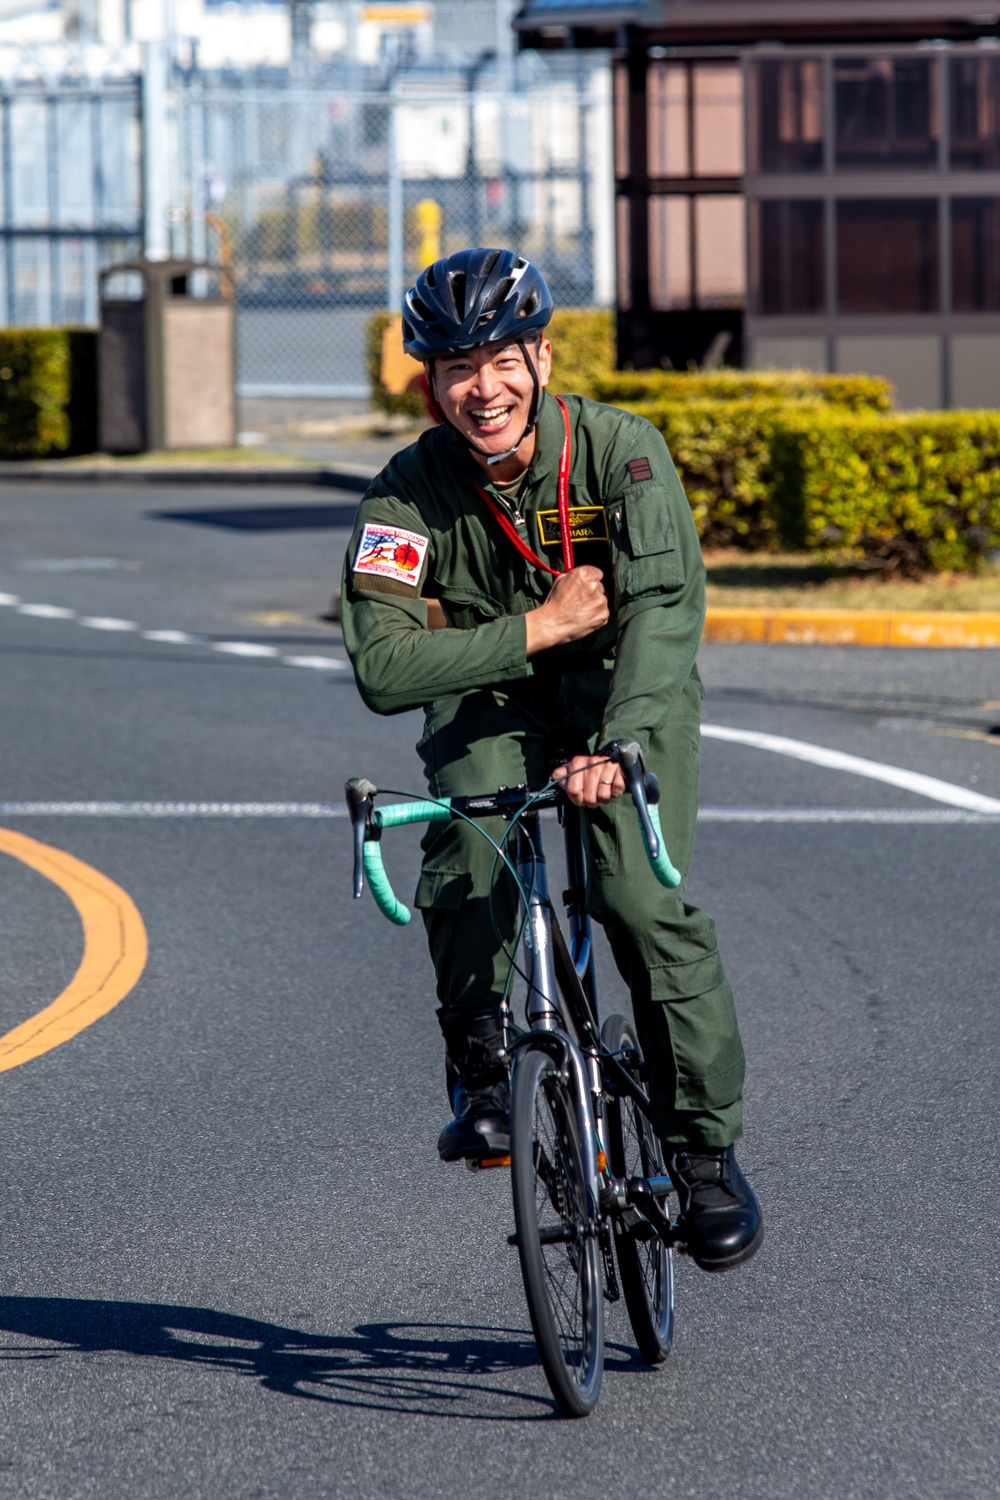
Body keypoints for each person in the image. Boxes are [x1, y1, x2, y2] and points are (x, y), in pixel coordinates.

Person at [342, 248, 762, 1272]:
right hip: (495, 698)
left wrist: (620, 740)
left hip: (629, 694)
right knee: (467, 837)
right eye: (452, 367)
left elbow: (665, 608)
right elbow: (385, 665)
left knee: (633, 899)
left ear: (538, 356)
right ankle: (483, 1073)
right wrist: (535, 630)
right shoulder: (405, 493)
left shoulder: (621, 453)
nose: (479, 387)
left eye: (498, 359)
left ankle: (704, 1153)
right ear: (428, 381)